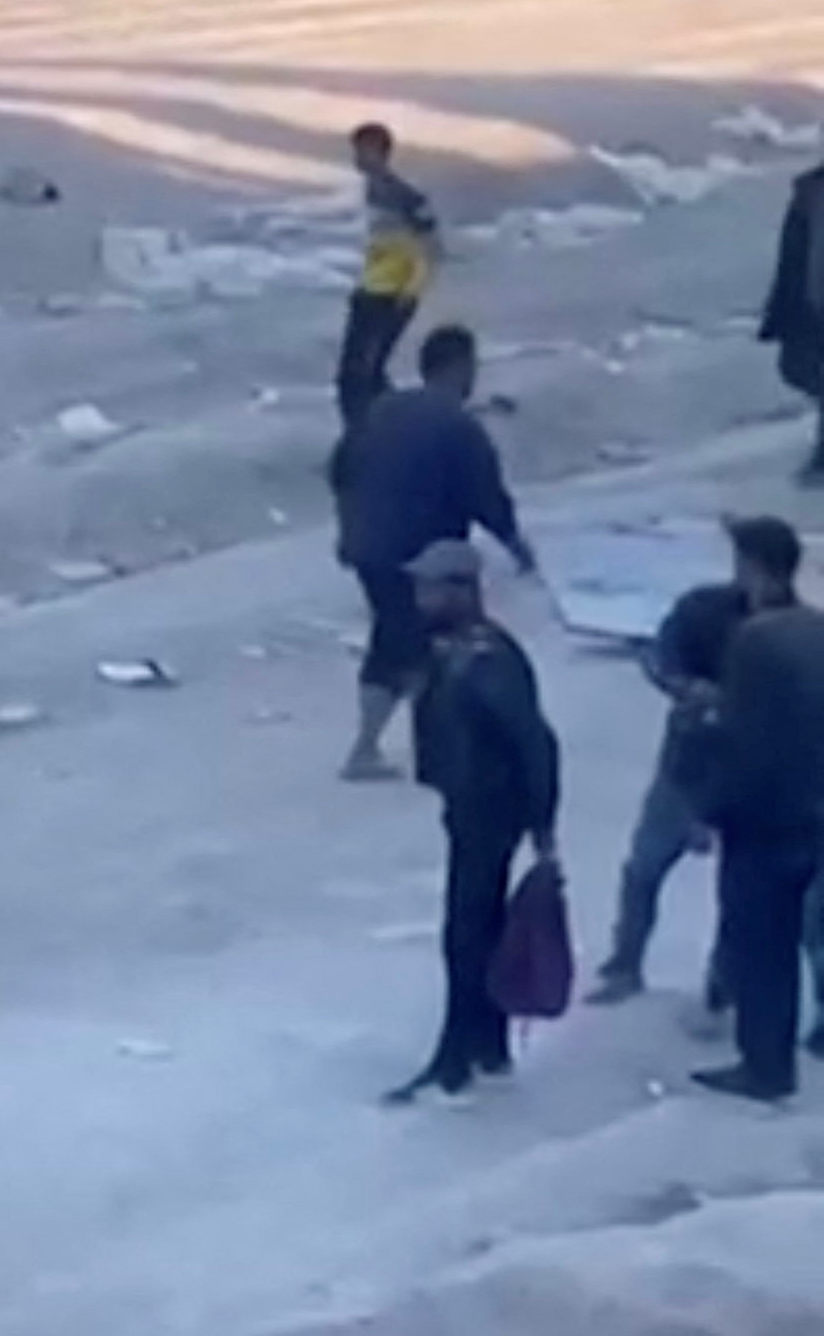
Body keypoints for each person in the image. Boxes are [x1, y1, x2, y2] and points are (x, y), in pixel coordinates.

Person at [591, 519, 792, 1008]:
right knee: (645, 867)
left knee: (738, 888)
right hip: (690, 762)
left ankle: (721, 984)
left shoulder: (793, 631)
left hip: (750, 777)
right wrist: (684, 688)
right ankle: (626, 962)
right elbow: (660, 657)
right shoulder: (705, 609)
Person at [387, 539, 558, 1105]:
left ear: (462, 590)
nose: (420, 597)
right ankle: (487, 1045)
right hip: (468, 806)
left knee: (467, 934)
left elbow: (533, 741)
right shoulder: (451, 649)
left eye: (430, 587)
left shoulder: (486, 658)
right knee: (478, 929)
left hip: (490, 811)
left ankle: (455, 1056)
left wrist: (543, 826)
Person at [330, 324, 533, 781]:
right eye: (472, 368)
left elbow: (341, 467)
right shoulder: (457, 424)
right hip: (422, 555)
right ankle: (432, 750)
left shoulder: (382, 409)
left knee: (393, 640)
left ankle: (370, 747)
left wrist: (349, 530)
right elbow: (486, 495)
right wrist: (517, 546)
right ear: (459, 368)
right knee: (440, 647)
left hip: (368, 548)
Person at [699, 554, 824, 1103]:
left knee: (763, 948)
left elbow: (738, 745)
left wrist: (712, 810)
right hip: (815, 814)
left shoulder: (752, 644)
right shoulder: (816, 632)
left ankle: (765, 1067)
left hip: (763, 825)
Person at [337, 121, 440, 431]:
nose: (356, 158)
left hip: (393, 295)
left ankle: (375, 433)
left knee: (361, 374)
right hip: (371, 289)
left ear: (381, 153)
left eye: (363, 152)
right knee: (361, 373)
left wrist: (412, 290)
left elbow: (431, 246)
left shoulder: (405, 196)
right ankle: (384, 429)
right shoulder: (372, 191)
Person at [767, 155, 824, 482]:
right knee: (796, 368)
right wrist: (784, 311)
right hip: (813, 303)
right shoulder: (811, 190)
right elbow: (794, 255)